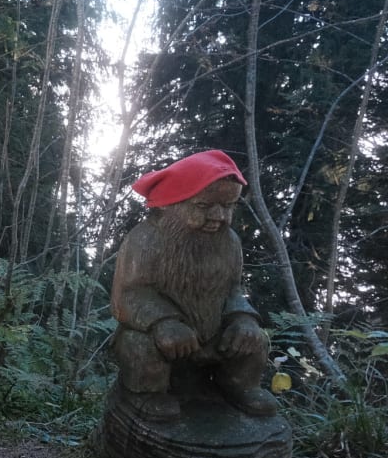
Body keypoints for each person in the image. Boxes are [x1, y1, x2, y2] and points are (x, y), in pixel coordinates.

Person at [110, 149, 279, 422]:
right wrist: (164, 322)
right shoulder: (144, 240)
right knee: (137, 346)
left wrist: (242, 318)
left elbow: (234, 289)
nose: (219, 216)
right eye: (203, 206)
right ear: (171, 204)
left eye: (228, 206)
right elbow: (128, 295)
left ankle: (241, 386)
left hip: (213, 338)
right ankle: (146, 393)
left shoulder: (230, 242)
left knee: (253, 339)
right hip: (160, 336)